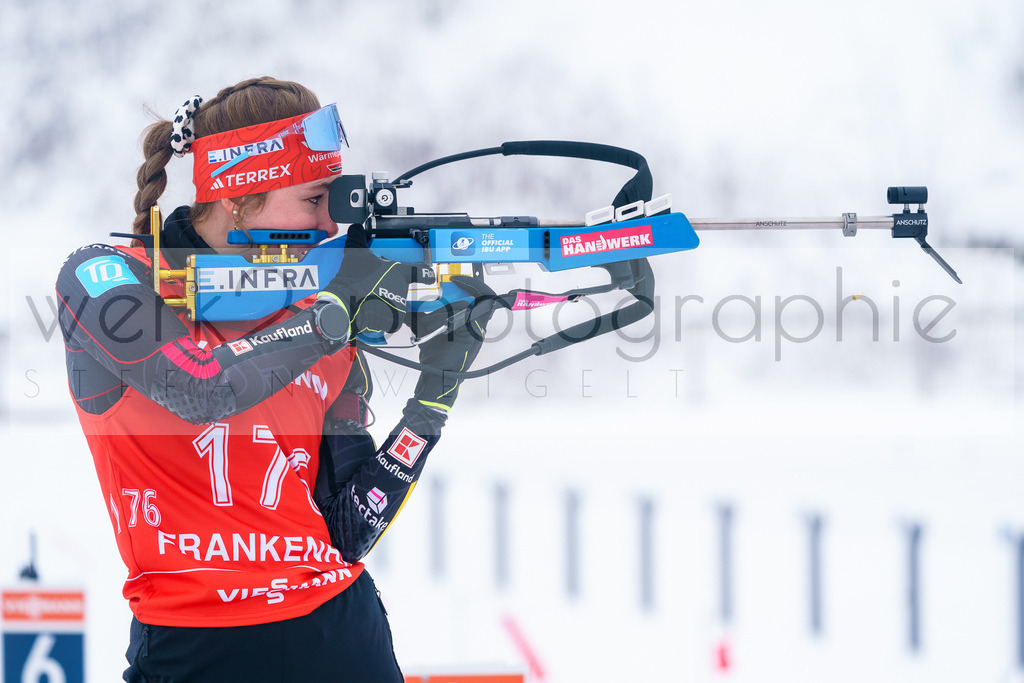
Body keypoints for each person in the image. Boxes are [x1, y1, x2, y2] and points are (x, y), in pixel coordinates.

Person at [55, 76, 494, 682]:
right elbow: (199, 385)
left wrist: (432, 402)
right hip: (193, 648)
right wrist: (332, 315)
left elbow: (346, 531)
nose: (331, 227)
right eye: (315, 200)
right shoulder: (105, 276)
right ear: (240, 195)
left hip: (344, 637)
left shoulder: (316, 315)